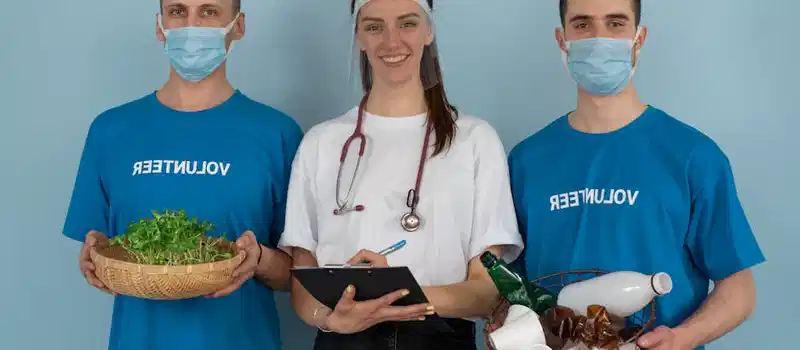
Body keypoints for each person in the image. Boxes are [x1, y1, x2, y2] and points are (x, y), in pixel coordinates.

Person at [488, 0, 767, 349]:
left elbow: (739, 287)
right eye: (583, 24)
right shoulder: (527, 161)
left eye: (616, 24)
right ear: (562, 40)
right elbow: (513, 282)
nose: (599, 38)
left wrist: (683, 337)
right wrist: (505, 320)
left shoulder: (693, 156)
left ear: (640, 37)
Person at [277, 0, 524, 349]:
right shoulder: (321, 143)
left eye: (407, 24)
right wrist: (331, 319)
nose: (391, 41)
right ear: (359, 36)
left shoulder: (474, 140)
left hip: (441, 339)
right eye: (374, 27)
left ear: (429, 31)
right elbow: (303, 280)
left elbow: (486, 294)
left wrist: (396, 292)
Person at [62, 1, 303, 350]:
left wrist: (260, 260)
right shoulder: (111, 131)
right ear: (160, 26)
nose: (192, 26)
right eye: (178, 11)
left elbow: (296, 276)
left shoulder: (277, 133)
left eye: (209, 12)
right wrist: (93, 255)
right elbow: (98, 246)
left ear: (238, 26)